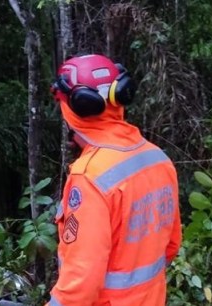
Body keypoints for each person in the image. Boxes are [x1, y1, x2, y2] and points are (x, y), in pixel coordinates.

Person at [47, 54, 182, 306]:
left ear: (75, 106)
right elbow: (171, 246)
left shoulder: (90, 177)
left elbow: (81, 282)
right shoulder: (157, 158)